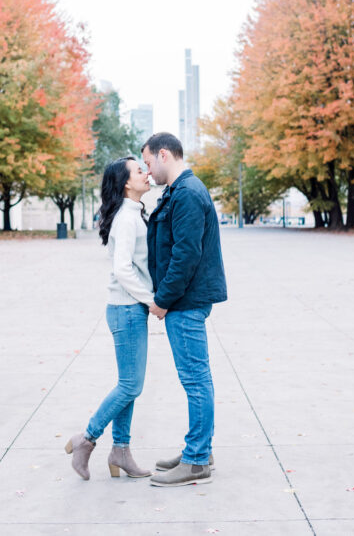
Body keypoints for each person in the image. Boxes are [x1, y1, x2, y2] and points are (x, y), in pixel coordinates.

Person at [141, 132, 227, 488]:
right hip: (185, 300)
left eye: (147, 163)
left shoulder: (188, 194)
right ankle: (199, 450)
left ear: (164, 155)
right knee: (196, 378)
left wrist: (162, 300)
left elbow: (185, 255)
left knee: (195, 379)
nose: (147, 171)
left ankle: (195, 461)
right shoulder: (179, 192)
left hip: (185, 301)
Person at [65, 157, 154, 481]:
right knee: (130, 385)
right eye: (139, 171)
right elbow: (122, 268)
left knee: (130, 386)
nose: (146, 173)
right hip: (127, 308)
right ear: (126, 183)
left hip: (130, 309)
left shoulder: (132, 214)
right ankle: (86, 439)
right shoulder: (126, 220)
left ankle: (121, 451)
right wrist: (152, 300)